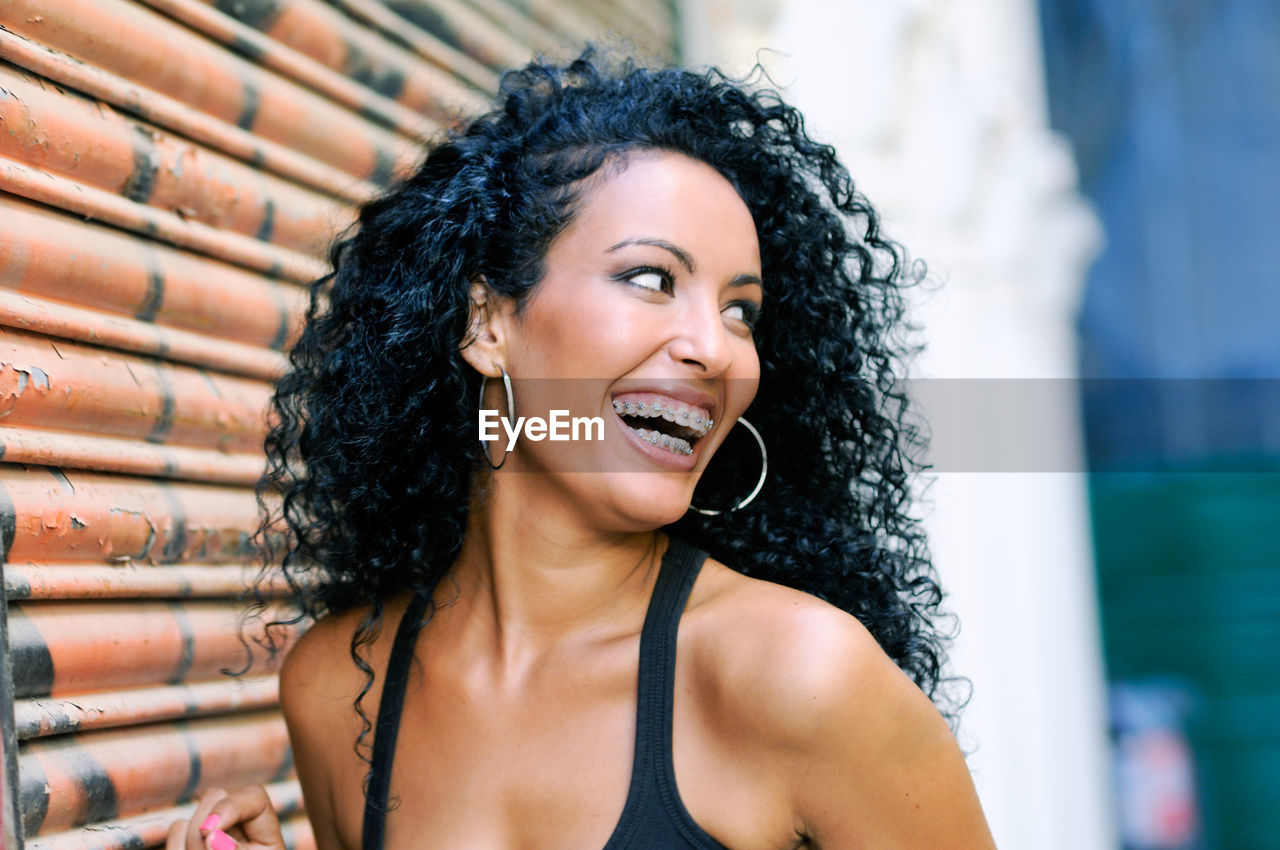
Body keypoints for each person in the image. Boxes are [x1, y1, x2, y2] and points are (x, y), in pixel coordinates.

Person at [168, 52, 996, 850]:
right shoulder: (337, 689)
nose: (716, 347)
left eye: (741, 310)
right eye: (650, 279)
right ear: (486, 324)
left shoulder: (795, 674)